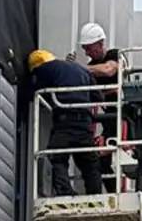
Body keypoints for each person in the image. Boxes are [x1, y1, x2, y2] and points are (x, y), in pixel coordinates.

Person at [25, 49, 104, 196]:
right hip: (84, 124)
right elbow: (98, 96)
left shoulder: (45, 68)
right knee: (90, 164)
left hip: (65, 122)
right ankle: (96, 195)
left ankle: (65, 193)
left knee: (57, 157)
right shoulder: (82, 70)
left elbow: (32, 90)